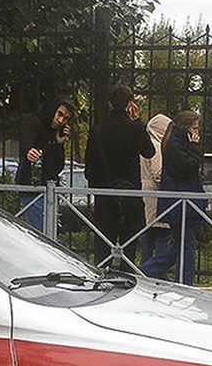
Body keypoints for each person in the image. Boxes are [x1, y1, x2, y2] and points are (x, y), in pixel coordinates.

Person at [85, 85, 156, 267]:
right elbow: (149, 152)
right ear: (129, 104)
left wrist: (98, 185)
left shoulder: (98, 130)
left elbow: (89, 166)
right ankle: (125, 283)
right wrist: (138, 121)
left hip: (105, 195)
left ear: (109, 104)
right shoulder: (135, 129)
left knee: (103, 250)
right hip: (130, 194)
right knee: (128, 250)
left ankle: (101, 283)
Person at [141, 111, 204, 284]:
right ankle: (149, 273)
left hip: (181, 203)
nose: (196, 133)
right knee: (185, 248)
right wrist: (195, 148)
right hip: (180, 203)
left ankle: (148, 273)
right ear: (185, 128)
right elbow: (186, 168)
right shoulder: (175, 145)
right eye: (194, 128)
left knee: (179, 247)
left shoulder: (175, 142)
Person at [17, 98, 75, 232]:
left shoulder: (55, 133)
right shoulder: (35, 123)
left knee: (49, 232)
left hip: (50, 189)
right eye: (60, 114)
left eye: (65, 118)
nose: (60, 120)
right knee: (41, 233)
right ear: (53, 110)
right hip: (32, 186)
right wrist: (29, 151)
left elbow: (58, 166)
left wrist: (59, 144)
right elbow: (27, 145)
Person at [140, 113, 173, 262]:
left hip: (146, 191)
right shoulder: (156, 146)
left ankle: (145, 266)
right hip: (155, 194)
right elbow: (157, 173)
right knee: (161, 234)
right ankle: (154, 269)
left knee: (149, 234)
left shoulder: (146, 142)